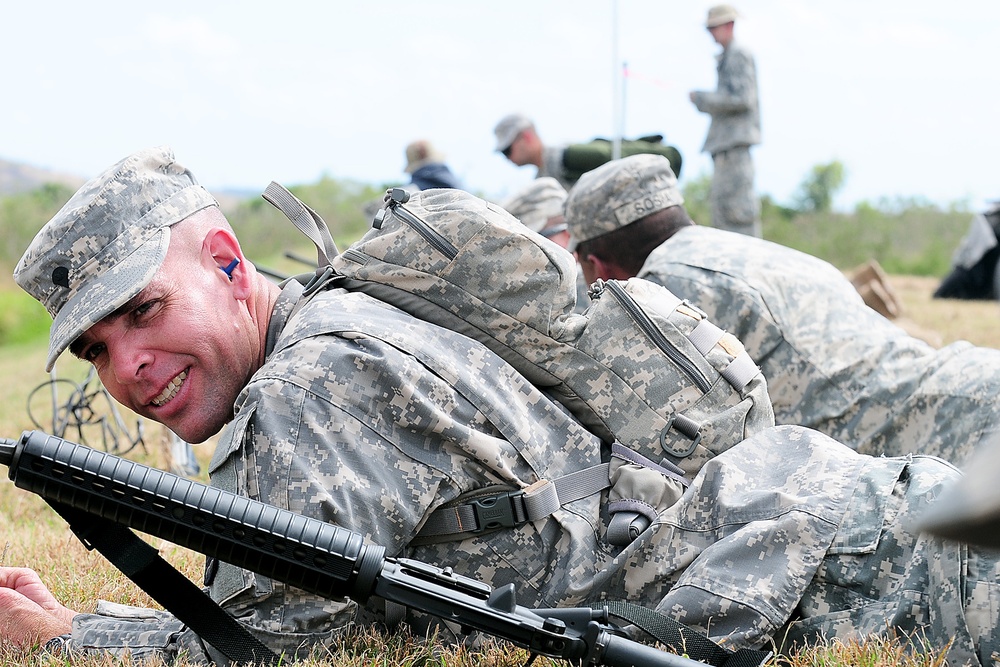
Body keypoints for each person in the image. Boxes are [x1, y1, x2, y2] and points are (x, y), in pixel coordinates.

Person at [4, 146, 1000, 667]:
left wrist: (68, 642)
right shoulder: (352, 309)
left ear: (227, 263)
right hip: (836, 526)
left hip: (853, 575)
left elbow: (268, 641)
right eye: (97, 349)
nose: (128, 366)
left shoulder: (311, 386)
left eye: (142, 311)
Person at [564, 153, 1000, 468]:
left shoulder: (661, 292)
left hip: (951, 443)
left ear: (595, 263)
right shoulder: (748, 250)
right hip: (972, 388)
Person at [689, 5, 762, 238]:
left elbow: (743, 98)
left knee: (737, 214)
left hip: (735, 147)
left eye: (714, 28)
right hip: (727, 147)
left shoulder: (739, 54)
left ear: (729, 26)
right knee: (723, 215)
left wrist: (703, 99)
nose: (711, 34)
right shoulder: (729, 55)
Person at [493, 113, 682, 191]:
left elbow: (613, 156)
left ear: (526, 137)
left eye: (507, 150)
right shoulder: (542, 177)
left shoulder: (565, 158)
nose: (507, 158)